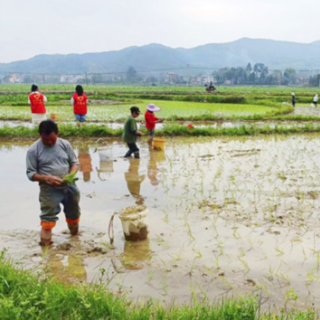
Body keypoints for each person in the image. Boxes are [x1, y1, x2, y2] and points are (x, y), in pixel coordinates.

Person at [26, 120, 81, 246]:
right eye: (46, 140)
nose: (49, 142)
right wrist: (47, 178)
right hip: (48, 189)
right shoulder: (33, 151)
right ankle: (46, 250)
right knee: (47, 220)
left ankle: (76, 242)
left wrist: (70, 176)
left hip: (69, 186)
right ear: (40, 135)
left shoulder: (65, 144)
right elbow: (30, 174)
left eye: (52, 139)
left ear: (57, 133)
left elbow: (74, 163)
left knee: (73, 214)